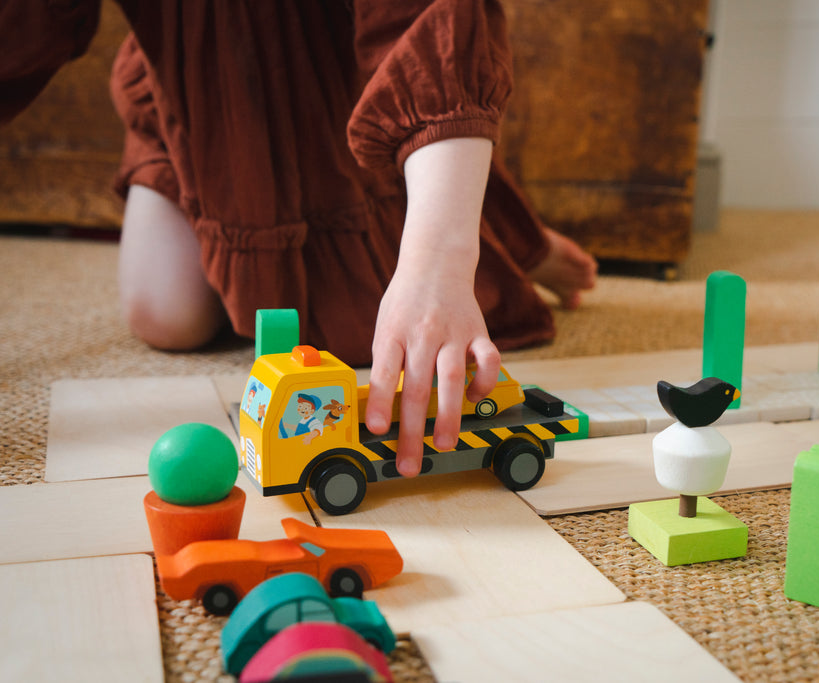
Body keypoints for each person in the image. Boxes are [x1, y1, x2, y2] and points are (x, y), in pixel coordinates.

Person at [1, 1, 596, 477]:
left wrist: (439, 266)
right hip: (201, 89)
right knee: (164, 316)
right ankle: (477, 223)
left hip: (350, 95)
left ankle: (491, 229)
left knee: (377, 311)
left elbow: (430, 24)